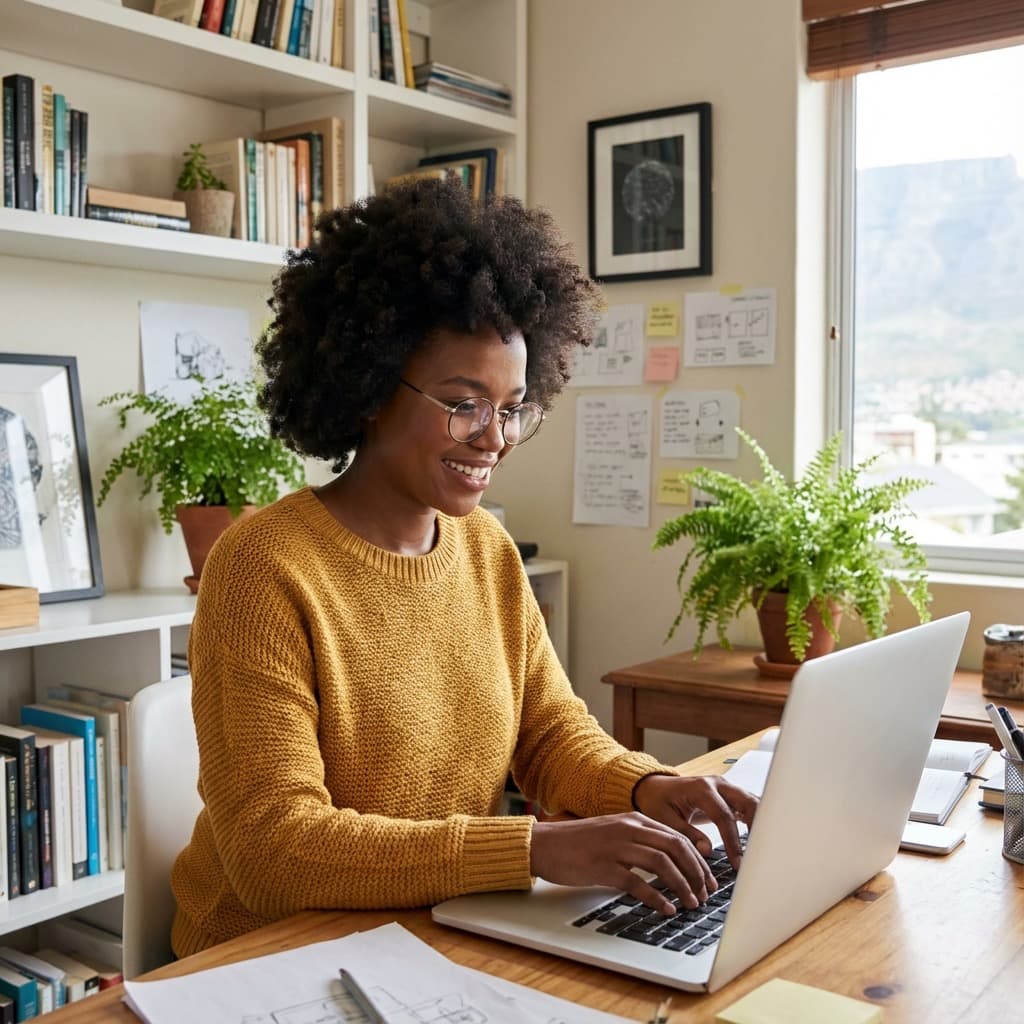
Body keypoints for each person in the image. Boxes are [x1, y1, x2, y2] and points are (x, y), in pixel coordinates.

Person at [170, 178, 757, 958]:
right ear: (371, 386)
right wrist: (535, 852)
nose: (496, 438)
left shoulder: (486, 548)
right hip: (272, 959)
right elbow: (275, 852)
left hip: (434, 933)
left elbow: (548, 736)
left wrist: (648, 787)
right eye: (464, 401)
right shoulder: (264, 568)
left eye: (514, 406)